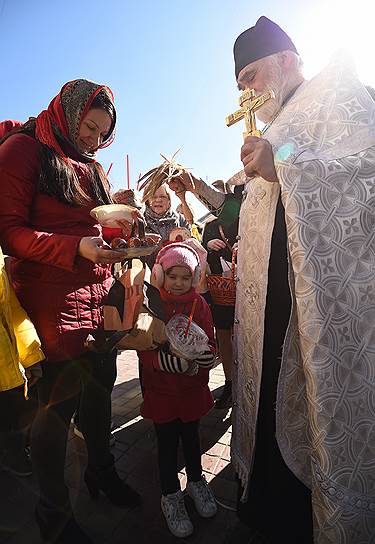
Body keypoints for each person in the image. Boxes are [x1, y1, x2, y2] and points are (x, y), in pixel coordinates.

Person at [171, 16, 375, 544]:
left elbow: (363, 168)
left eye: (253, 76)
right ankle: (270, 509)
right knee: (267, 414)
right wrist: (216, 191)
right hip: (269, 308)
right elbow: (247, 215)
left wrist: (283, 162)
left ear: (287, 60)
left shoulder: (340, 96)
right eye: (240, 84)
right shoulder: (272, 128)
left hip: (325, 305)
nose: (247, 92)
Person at [0, 79, 141, 544]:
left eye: (103, 134)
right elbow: (9, 232)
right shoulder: (24, 150)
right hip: (48, 303)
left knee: (100, 391)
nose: (93, 140)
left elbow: (95, 226)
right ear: (69, 111)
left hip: (97, 296)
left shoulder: (91, 167)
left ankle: (101, 472)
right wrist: (74, 247)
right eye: (89, 126)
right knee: (52, 416)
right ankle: (53, 514)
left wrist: (122, 225)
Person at [137, 242, 217, 538]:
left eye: (186, 277)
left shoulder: (202, 305)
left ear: (195, 277)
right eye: (173, 276)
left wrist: (207, 358)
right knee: (167, 445)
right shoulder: (151, 302)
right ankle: (170, 494)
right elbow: (140, 341)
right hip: (162, 391)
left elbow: (209, 340)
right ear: (160, 275)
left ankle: (196, 481)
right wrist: (158, 360)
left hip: (192, 388)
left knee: (192, 438)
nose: (179, 283)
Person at [0, 246, 44, 477]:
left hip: (9, 372)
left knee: (13, 420)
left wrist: (31, 355)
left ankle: (15, 456)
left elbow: (11, 309)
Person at [202, 180, 238, 409]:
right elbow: (203, 253)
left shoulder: (245, 218)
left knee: (243, 338)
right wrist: (208, 245)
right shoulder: (210, 225)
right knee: (224, 337)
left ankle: (246, 381)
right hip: (221, 292)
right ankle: (229, 383)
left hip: (245, 290)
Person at [143, 183, 193, 268]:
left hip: (177, 271)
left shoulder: (180, 220)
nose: (158, 200)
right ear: (147, 201)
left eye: (163, 196)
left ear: (169, 201)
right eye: (153, 197)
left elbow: (191, 244)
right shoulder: (140, 222)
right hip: (148, 274)